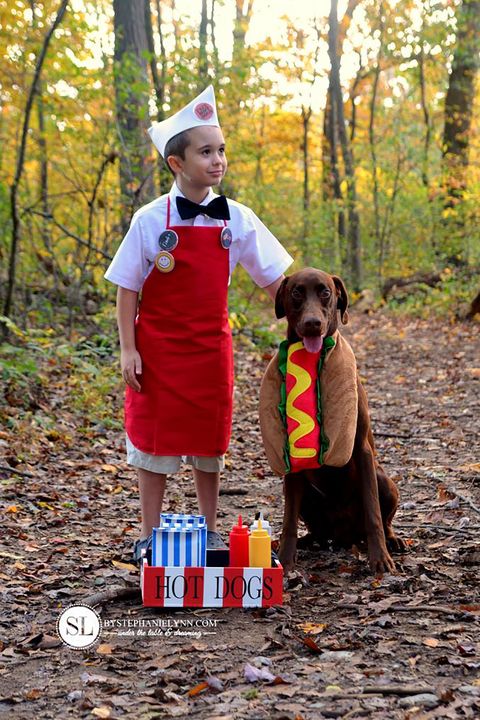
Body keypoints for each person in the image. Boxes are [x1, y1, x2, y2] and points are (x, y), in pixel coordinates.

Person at [104, 85, 293, 563]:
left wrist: (309, 321)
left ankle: (208, 532)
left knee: (210, 442)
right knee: (156, 441)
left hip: (211, 348)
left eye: (221, 150)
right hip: (158, 351)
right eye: (206, 151)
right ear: (177, 163)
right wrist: (129, 349)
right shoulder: (150, 220)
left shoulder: (238, 218)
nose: (217, 161)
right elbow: (128, 287)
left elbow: (276, 282)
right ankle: (150, 532)